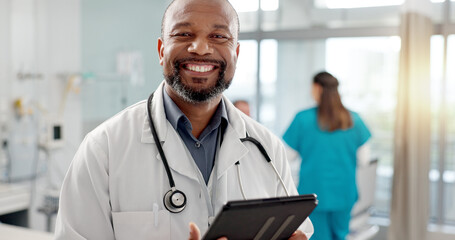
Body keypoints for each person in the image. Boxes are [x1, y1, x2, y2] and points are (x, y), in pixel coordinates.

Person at [54, 0, 313, 239]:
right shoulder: (104, 149)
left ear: (236, 53)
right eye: (183, 34)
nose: (200, 48)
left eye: (218, 36)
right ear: (161, 50)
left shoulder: (267, 148)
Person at [283, 71, 371, 240]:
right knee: (341, 235)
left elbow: (287, 157)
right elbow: (364, 159)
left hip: (314, 193)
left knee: (316, 236)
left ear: (317, 88)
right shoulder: (354, 120)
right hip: (345, 192)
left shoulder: (303, 119)